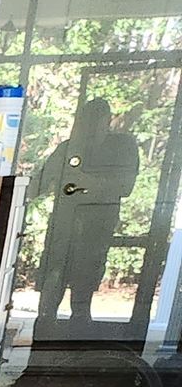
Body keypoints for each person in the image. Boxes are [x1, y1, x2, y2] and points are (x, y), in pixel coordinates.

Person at [33, 98, 140, 331]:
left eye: (95, 122)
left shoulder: (122, 147)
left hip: (95, 232)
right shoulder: (68, 149)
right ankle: (37, 356)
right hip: (63, 231)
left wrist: (88, 182)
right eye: (85, 122)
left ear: (107, 121)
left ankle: (75, 354)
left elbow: (125, 186)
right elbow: (38, 185)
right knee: (48, 302)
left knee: (81, 300)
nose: (90, 129)